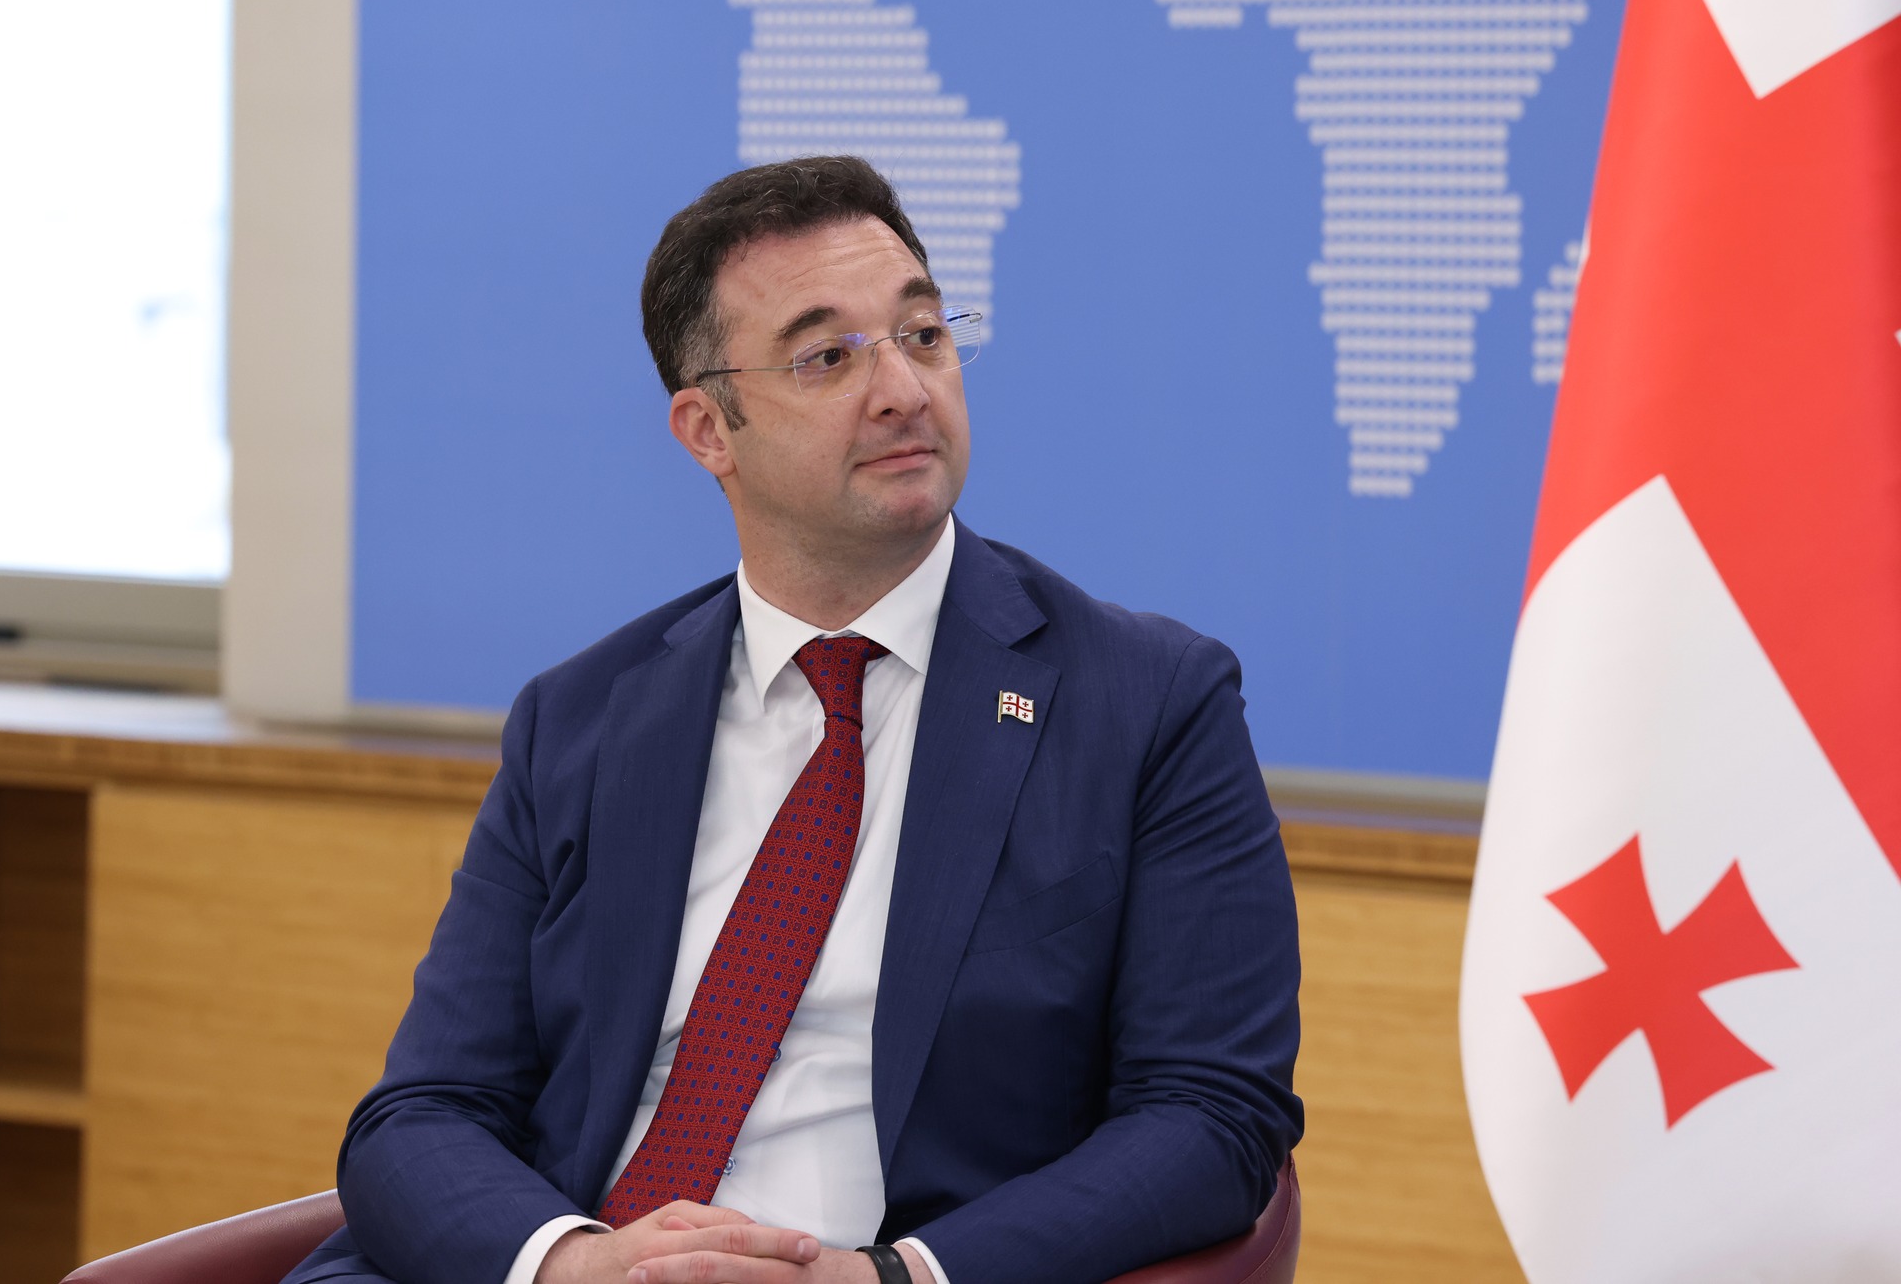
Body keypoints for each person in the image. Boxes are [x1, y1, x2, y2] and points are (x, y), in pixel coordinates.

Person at [285, 157, 1303, 1284]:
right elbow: (425, 1109)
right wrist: (575, 1264)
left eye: (922, 335)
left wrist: (889, 1278)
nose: (902, 390)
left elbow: (1213, 1113)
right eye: (829, 357)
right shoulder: (577, 720)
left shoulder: (1147, 702)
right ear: (707, 430)